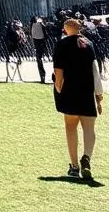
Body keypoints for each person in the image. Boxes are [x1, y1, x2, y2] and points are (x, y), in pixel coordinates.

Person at [53, 17, 104, 181]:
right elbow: (95, 71)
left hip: (69, 92)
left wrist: (59, 90)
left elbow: (58, 75)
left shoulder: (61, 45)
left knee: (70, 128)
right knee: (89, 128)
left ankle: (74, 165)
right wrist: (99, 96)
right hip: (87, 92)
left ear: (67, 28)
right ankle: (86, 157)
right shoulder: (88, 44)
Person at [31, 16, 48, 85]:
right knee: (39, 59)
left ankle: (42, 76)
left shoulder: (33, 26)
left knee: (39, 60)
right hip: (41, 44)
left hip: (39, 44)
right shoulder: (39, 24)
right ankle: (42, 76)